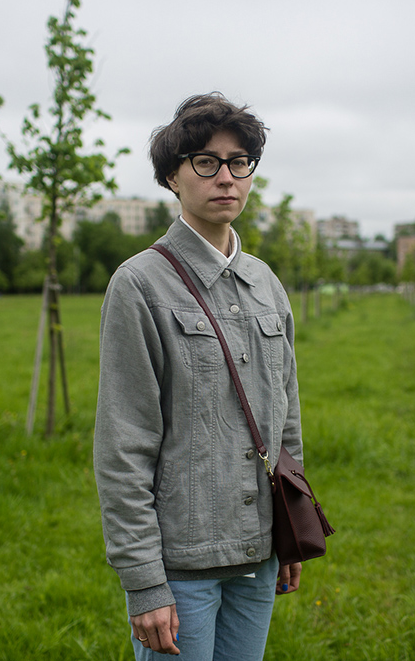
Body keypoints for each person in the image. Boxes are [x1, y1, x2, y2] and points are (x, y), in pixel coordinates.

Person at [94, 92, 305, 659]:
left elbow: (285, 420)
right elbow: (123, 444)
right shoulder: (139, 285)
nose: (226, 178)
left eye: (239, 162)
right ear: (172, 176)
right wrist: (145, 582)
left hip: (259, 556)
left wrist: (291, 529)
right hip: (181, 568)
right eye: (206, 163)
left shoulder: (267, 284)